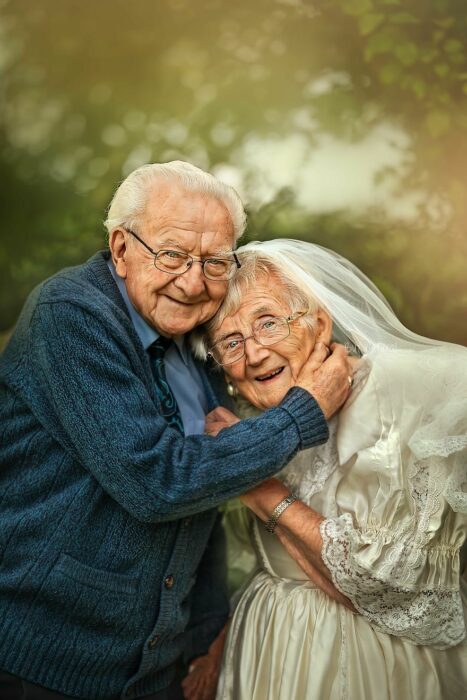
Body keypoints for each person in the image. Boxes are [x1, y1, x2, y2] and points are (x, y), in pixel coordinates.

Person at [0, 164, 351, 700]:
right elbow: (158, 483)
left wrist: (207, 639)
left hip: (156, 670)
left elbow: (201, 505)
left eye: (214, 262)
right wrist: (303, 412)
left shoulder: (197, 341)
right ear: (120, 249)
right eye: (173, 255)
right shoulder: (70, 315)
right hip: (47, 661)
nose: (192, 283)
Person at [192, 238, 467, 700]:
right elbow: (269, 565)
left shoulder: (401, 393)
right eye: (231, 342)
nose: (254, 354)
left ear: (320, 324)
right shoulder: (260, 426)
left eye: (268, 323)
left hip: (371, 667)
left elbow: (401, 594)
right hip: (266, 657)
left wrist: (255, 485)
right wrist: (221, 647)